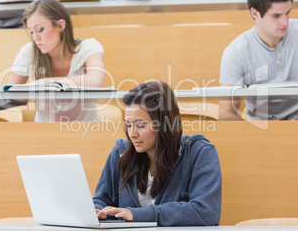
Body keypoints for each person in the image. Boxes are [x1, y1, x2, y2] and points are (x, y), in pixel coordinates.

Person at [93, 81, 222, 226]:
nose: (132, 134)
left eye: (141, 125)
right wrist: (96, 211)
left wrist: (137, 215)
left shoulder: (199, 153)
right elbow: (101, 200)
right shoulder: (120, 153)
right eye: (128, 125)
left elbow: (206, 212)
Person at [0, 0, 105, 122]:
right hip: (44, 134)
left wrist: (47, 83)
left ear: (60, 25)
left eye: (40, 30)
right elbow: (11, 96)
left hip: (85, 132)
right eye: (31, 32)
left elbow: (96, 81)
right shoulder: (29, 51)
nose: (35, 37)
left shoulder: (88, 47)